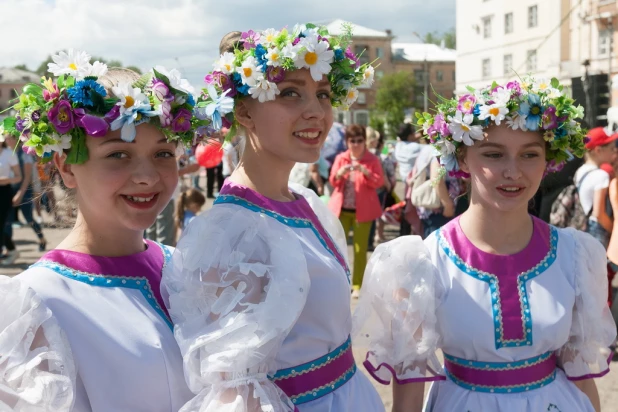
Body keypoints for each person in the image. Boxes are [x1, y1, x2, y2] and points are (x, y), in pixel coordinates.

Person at [354, 76, 617, 412]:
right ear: (462, 159)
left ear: (547, 160)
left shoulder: (573, 255)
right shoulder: (422, 262)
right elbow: (409, 390)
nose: (513, 171)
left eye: (529, 154)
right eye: (493, 154)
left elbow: (580, 375)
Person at [163, 24, 384, 411]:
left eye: (324, 94)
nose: (316, 112)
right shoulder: (233, 234)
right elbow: (235, 392)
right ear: (244, 111)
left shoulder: (305, 202)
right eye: (290, 94)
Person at [0, 52, 198, 410]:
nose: (147, 177)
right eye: (118, 155)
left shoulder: (181, 266)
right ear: (66, 166)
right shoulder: (37, 303)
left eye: (164, 153)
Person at [328, 124, 384, 297]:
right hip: (341, 210)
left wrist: (366, 172)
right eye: (352, 141)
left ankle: (358, 285)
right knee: (337, 248)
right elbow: (332, 181)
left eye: (360, 140)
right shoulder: (341, 158)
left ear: (365, 142)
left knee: (360, 250)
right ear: (347, 142)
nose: (356, 144)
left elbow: (379, 183)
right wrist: (340, 174)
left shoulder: (372, 160)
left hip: (363, 212)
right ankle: (339, 281)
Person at [2, 133, 48, 257]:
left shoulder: (24, 154)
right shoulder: (6, 154)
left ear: (15, 139)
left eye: (9, 138)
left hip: (24, 190)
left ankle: (41, 239)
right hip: (10, 191)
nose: (7, 140)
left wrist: (20, 194)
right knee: (8, 221)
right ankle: (9, 248)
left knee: (29, 218)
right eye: (5, 138)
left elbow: (27, 177)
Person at [574, 127, 617, 248]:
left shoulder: (581, 171)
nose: (614, 152)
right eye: (611, 148)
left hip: (583, 228)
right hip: (597, 231)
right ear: (598, 150)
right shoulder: (601, 175)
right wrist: (613, 230)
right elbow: (599, 213)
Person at [0, 134, 22, 264]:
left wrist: (6, 179)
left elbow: (18, 177)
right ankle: (10, 250)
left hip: (4, 192)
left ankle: (11, 250)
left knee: (1, 225)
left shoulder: (9, 153)